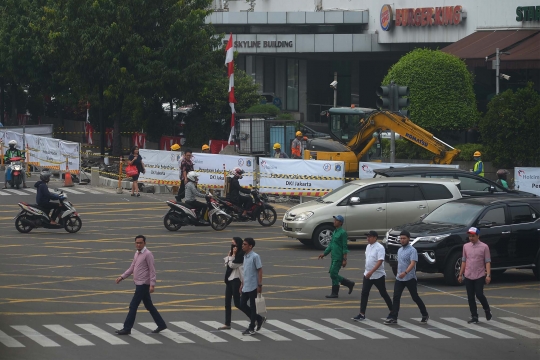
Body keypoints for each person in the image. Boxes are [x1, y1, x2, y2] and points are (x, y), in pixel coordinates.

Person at [114, 235, 167, 335]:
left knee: (133, 306)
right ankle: (161, 324)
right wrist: (122, 277)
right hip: (138, 283)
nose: (138, 245)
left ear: (144, 243)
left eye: (140, 243)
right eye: (137, 243)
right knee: (149, 305)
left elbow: (152, 270)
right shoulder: (137, 253)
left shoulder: (148, 254)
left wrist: (152, 284)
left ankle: (127, 328)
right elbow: (132, 268)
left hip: (143, 284)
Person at [384, 230, 429, 325]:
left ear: (408, 239)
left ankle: (425, 314)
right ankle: (394, 317)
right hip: (399, 278)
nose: (402, 240)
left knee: (415, 297)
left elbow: (413, 263)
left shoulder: (412, 250)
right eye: (401, 238)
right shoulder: (399, 250)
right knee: (396, 297)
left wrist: (405, 272)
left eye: (404, 238)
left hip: (410, 278)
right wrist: (398, 273)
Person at [352, 231, 393, 321]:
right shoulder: (368, 246)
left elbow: (380, 261)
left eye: (370, 237)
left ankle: (393, 312)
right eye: (367, 237)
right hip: (367, 274)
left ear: (375, 238)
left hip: (378, 275)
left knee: (383, 293)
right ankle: (362, 314)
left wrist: (372, 271)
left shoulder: (380, 247)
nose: (368, 238)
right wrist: (368, 272)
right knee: (364, 293)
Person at [458, 227, 492, 324]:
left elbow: (487, 262)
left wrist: (488, 275)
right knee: (470, 297)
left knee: (479, 294)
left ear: (478, 236)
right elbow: (464, 261)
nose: (471, 238)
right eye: (470, 236)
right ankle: (474, 316)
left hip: (479, 274)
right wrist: (460, 274)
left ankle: (487, 310)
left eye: (473, 236)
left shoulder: (484, 247)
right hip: (468, 274)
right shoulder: (466, 246)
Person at [317, 215, 355, 298]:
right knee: (333, 273)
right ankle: (335, 293)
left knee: (333, 274)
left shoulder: (343, 233)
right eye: (334, 220)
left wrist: (345, 259)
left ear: (340, 223)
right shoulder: (335, 232)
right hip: (333, 256)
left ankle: (348, 283)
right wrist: (324, 253)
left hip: (338, 257)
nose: (334, 221)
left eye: (336, 220)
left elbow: (345, 247)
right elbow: (331, 245)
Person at [218, 237, 251, 330]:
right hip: (229, 280)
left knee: (238, 303)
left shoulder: (241, 255)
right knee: (227, 302)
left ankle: (256, 317)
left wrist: (232, 256)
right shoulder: (234, 253)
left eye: (234, 244)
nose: (233, 246)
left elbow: (232, 265)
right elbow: (226, 264)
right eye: (232, 244)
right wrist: (230, 255)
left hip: (236, 280)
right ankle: (227, 323)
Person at [239, 237, 266, 336]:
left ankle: (251, 328)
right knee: (241, 304)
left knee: (253, 307)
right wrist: (242, 284)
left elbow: (259, 270)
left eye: (245, 244)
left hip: (253, 286)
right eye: (242, 244)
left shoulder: (255, 256)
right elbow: (245, 272)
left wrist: (259, 284)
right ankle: (258, 318)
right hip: (246, 285)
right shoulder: (245, 256)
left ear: (250, 246)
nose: (242, 246)